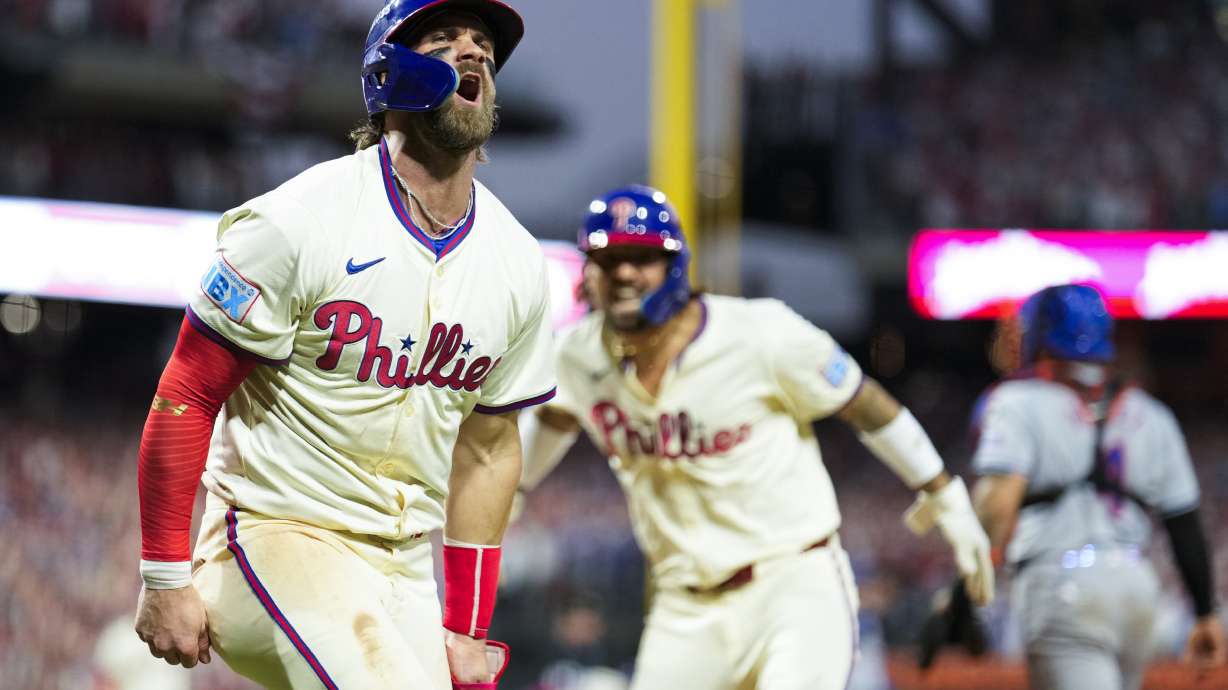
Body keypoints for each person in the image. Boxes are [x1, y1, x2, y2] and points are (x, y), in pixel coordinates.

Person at [132, 1, 556, 688]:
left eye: (483, 43)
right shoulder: (300, 219)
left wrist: (466, 626)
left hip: (403, 565)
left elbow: (489, 446)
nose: (473, 52)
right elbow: (187, 389)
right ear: (389, 72)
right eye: (444, 39)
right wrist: (162, 575)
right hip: (271, 535)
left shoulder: (516, 260)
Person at [516, 185, 995, 690]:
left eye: (642, 257)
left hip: (791, 586)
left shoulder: (759, 333)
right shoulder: (577, 356)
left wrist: (943, 494)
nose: (625, 274)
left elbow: (866, 403)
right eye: (609, 260)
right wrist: (513, 493)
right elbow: (553, 421)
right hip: (685, 606)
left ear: (674, 263)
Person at [969, 284, 1227, 690]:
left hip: (1062, 585)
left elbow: (996, 511)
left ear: (1038, 335)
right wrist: (1205, 612)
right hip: (1138, 586)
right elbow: (1184, 522)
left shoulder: (1016, 401)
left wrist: (964, 593)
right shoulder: (1151, 412)